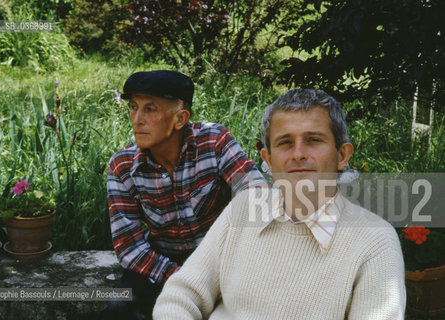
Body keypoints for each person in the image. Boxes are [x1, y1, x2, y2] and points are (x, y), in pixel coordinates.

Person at [153, 89, 406, 319]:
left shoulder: (375, 242)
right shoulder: (244, 208)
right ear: (268, 160)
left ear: (342, 156)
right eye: (285, 143)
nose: (298, 154)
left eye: (313, 140)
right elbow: (180, 295)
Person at [100, 70, 266, 320]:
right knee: (117, 310)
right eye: (133, 108)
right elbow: (129, 247)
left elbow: (257, 196)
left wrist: (233, 260)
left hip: (218, 255)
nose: (137, 119)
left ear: (180, 118)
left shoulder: (214, 141)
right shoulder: (121, 167)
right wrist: (183, 277)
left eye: (150, 109)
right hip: (161, 260)